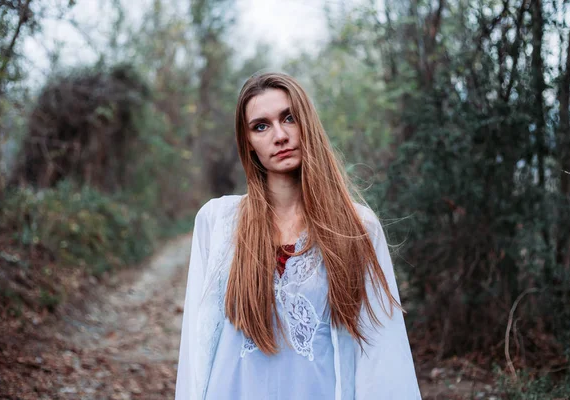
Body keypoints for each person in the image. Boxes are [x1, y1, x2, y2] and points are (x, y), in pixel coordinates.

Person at [175, 72, 421, 400]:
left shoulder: (356, 226)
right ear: (247, 141)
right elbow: (199, 341)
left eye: (289, 118)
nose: (279, 135)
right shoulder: (218, 222)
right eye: (261, 126)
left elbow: (381, 351)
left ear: (307, 123)